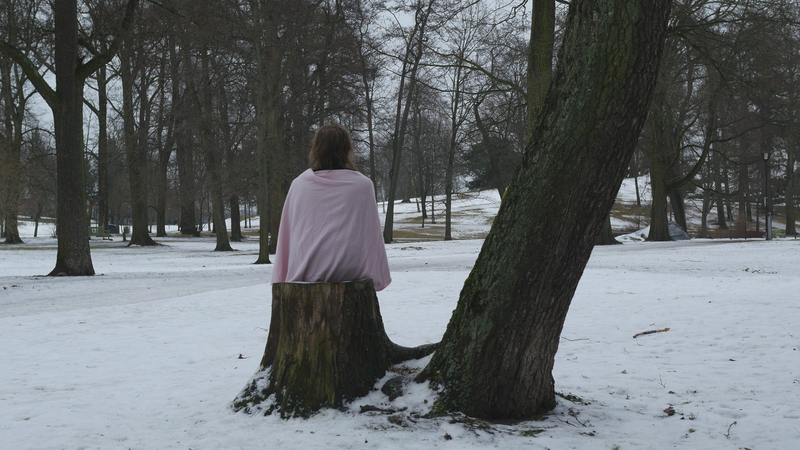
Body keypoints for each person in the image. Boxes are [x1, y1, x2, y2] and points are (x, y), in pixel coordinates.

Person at [271, 124, 391, 291]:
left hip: (307, 272)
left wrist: (282, 275)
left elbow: (288, 235)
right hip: (353, 272)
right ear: (347, 149)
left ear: (316, 149)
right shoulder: (363, 185)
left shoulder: (300, 185)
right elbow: (370, 236)